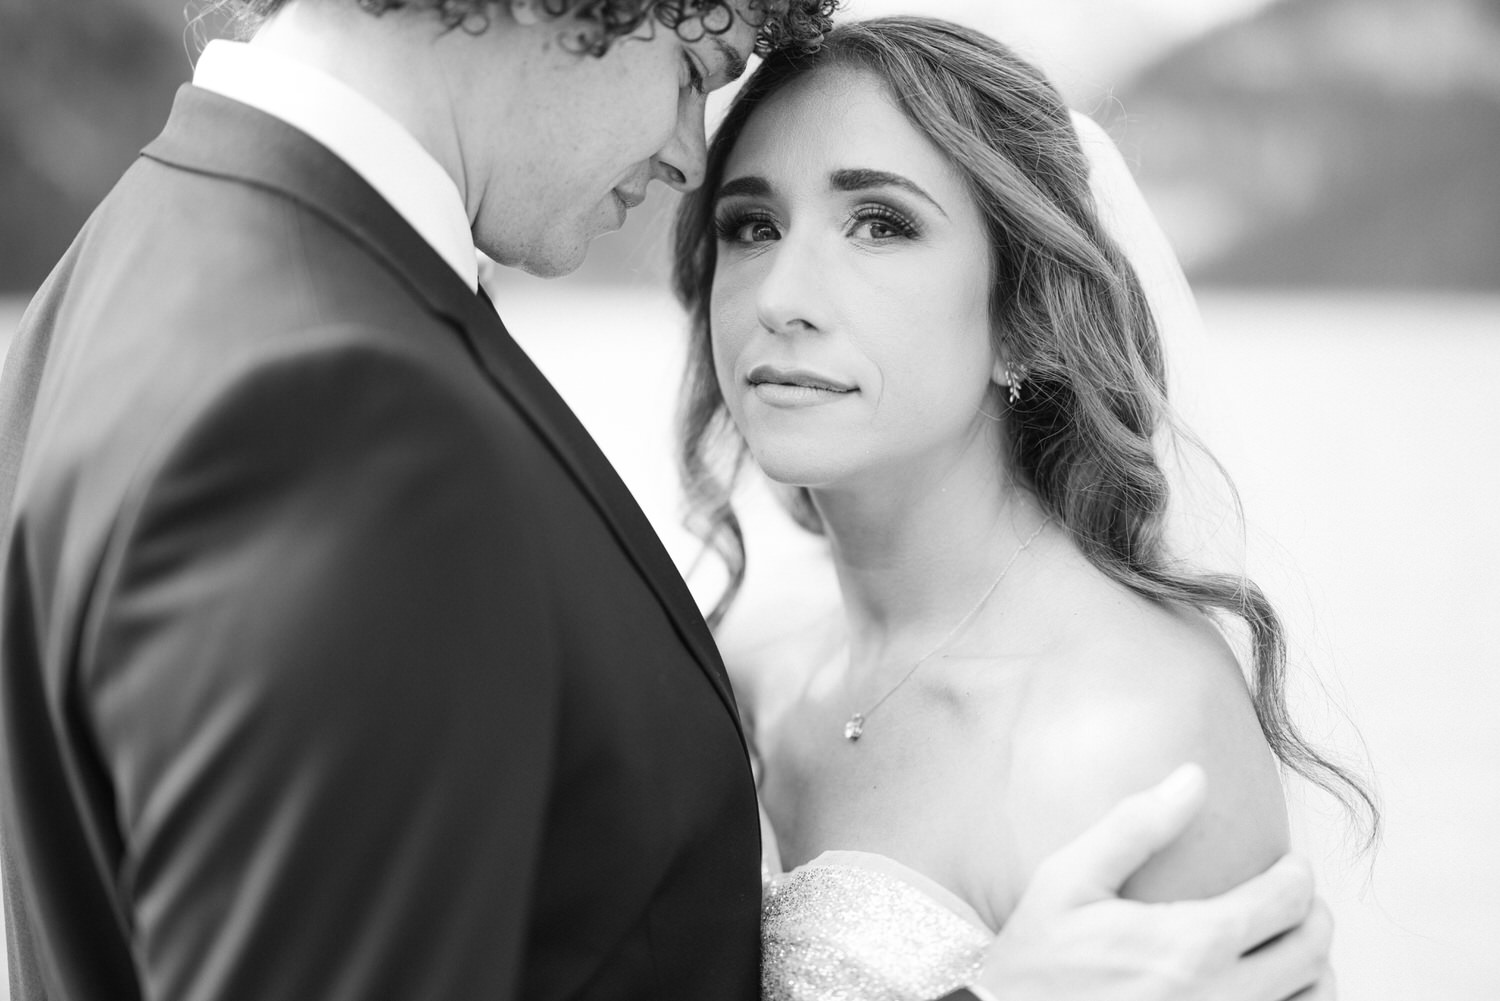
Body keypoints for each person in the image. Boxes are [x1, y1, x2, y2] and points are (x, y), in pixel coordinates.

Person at [0, 2, 1335, 1000]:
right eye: (696, 73)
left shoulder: (116, 278)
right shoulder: (342, 411)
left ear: (1027, 313)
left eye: (880, 223)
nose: (685, 161)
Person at [671, 15, 1376, 1000]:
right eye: (752, 225)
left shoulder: (1131, 735)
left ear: (1025, 320)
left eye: (881, 224)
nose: (781, 294)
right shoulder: (745, 669)